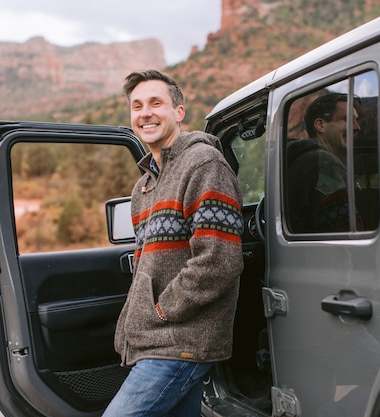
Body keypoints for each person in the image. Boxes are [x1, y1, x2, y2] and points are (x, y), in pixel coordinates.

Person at [102, 69, 244, 417]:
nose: (145, 113)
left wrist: (162, 309)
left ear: (178, 112)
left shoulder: (204, 165)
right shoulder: (143, 188)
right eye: (137, 106)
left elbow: (218, 259)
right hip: (160, 338)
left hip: (182, 340)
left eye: (155, 103)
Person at [286, 92, 362, 232]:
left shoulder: (301, 161)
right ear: (320, 125)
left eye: (356, 120)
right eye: (348, 120)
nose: (357, 127)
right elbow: (345, 230)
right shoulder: (325, 163)